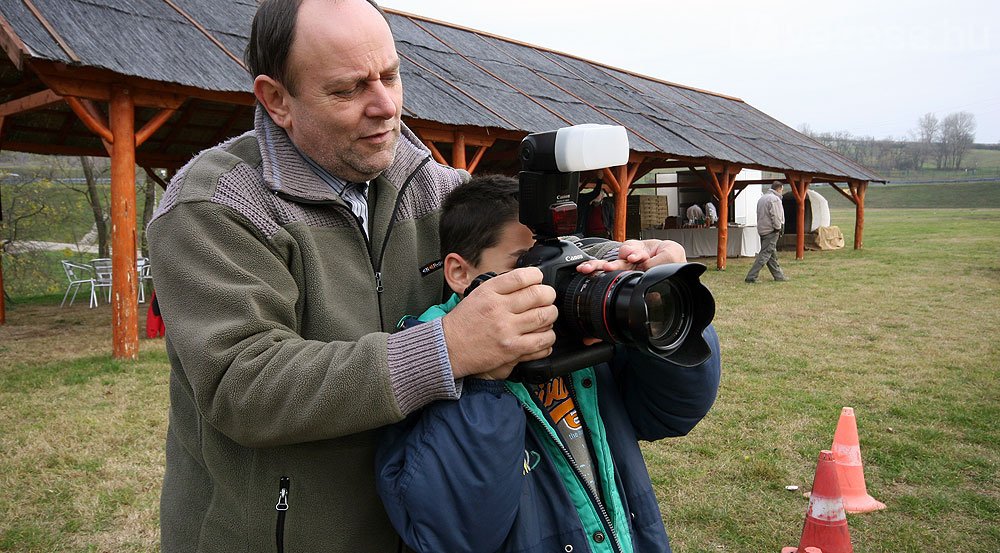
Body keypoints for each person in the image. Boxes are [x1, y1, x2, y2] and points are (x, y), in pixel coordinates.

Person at [147, 1, 691, 551]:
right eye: (348, 89)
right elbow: (243, 384)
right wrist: (445, 350)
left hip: (425, 526)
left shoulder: (434, 188)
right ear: (276, 99)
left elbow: (523, 253)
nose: (385, 106)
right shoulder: (213, 206)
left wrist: (623, 270)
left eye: (390, 75)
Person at [376, 175, 721, 553]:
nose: (549, 283)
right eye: (527, 264)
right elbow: (456, 533)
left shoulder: (578, 336)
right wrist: (484, 379)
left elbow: (675, 412)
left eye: (561, 257)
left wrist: (652, 308)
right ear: (460, 272)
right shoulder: (426, 363)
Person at [745, 181, 789, 283]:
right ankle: (751, 277)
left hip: (762, 230)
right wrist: (778, 228)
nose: (782, 192)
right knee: (765, 255)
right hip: (771, 231)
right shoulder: (775, 199)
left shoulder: (763, 198)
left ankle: (779, 276)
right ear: (779, 188)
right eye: (782, 190)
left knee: (771, 255)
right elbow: (776, 216)